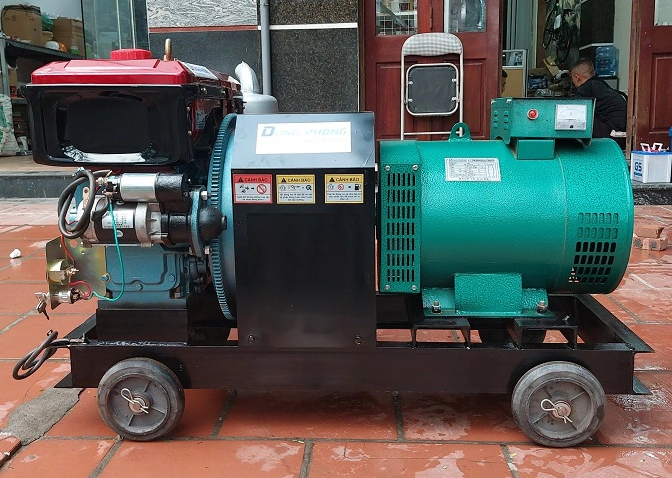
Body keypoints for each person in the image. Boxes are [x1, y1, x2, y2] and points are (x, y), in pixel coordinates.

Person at [571, 58, 627, 139]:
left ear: (577, 78)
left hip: (612, 131)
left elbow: (573, 109)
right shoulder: (599, 84)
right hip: (621, 128)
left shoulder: (586, 88)